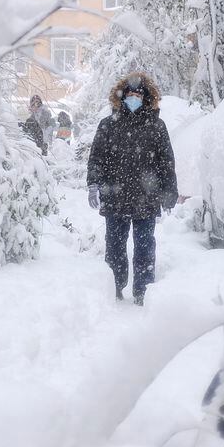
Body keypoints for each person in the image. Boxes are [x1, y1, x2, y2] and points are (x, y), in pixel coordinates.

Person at [86, 73, 178, 306]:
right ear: (122, 97)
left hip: (145, 198)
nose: (134, 98)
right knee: (115, 246)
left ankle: (143, 290)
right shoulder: (108, 125)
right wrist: (93, 183)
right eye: (130, 95)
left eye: (138, 95)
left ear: (146, 98)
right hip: (114, 196)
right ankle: (114, 287)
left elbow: (166, 161)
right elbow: (97, 157)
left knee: (145, 247)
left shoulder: (156, 126)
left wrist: (169, 191)